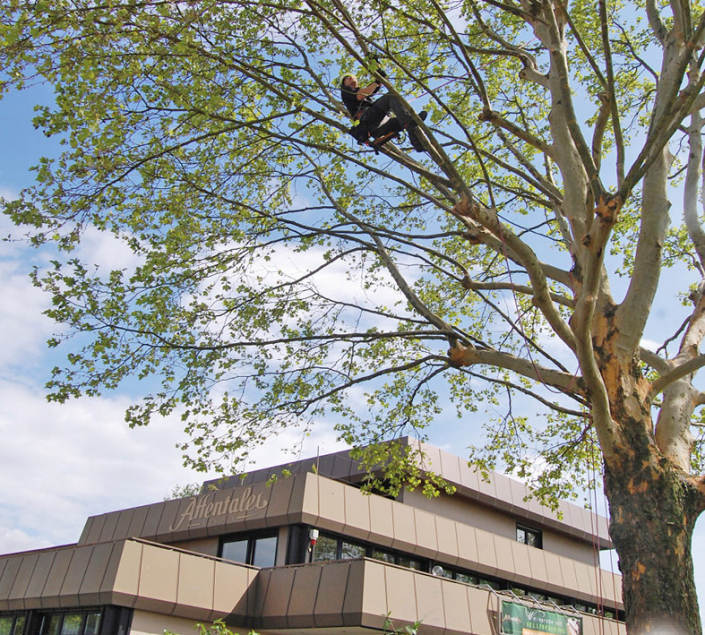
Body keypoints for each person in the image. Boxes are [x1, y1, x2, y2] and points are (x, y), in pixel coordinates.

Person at [340, 74, 427, 151]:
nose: (351, 77)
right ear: (343, 83)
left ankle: (418, 144)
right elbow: (360, 96)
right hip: (368, 119)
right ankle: (408, 123)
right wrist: (376, 83)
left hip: (380, 125)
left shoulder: (361, 91)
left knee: (408, 121)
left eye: (353, 77)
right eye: (347, 77)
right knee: (390, 96)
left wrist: (378, 80)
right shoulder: (345, 91)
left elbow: (370, 91)